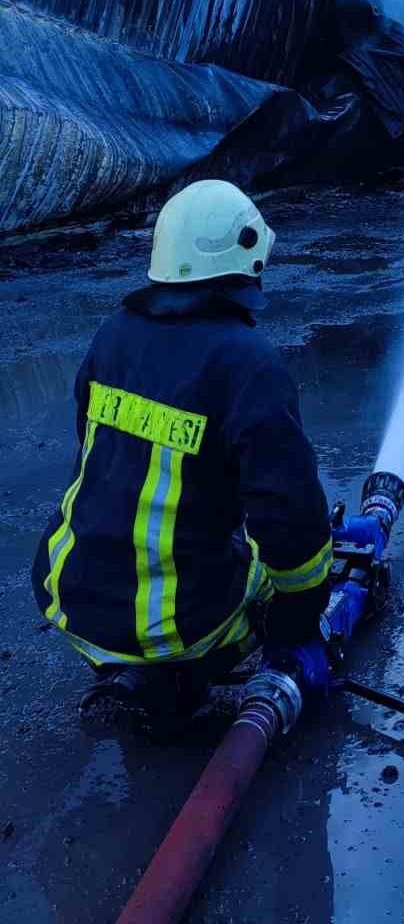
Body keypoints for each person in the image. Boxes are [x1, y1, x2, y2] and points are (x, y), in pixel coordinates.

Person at [32, 179, 333, 730]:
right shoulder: (248, 363)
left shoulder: (114, 334)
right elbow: (288, 514)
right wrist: (303, 608)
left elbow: (94, 449)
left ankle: (137, 666)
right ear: (247, 257)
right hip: (175, 627)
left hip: (69, 599)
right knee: (278, 582)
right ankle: (175, 680)